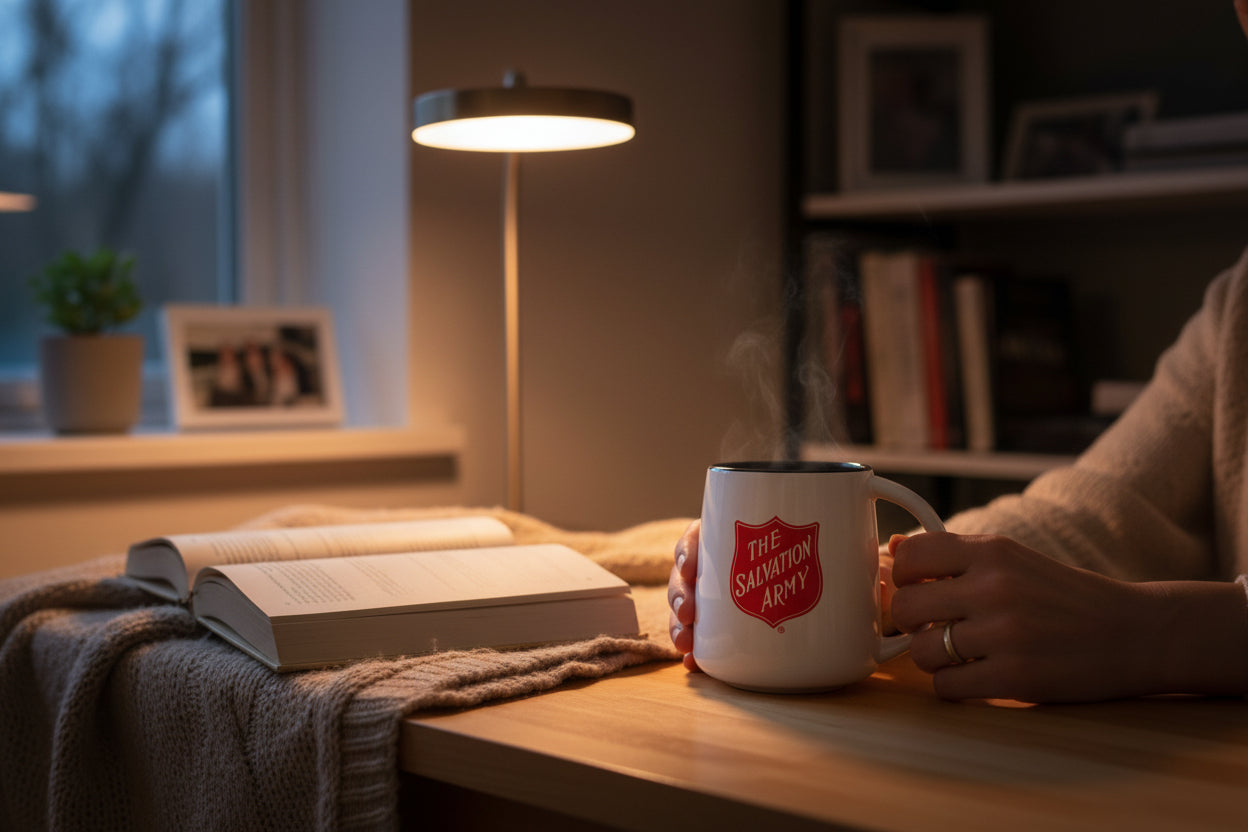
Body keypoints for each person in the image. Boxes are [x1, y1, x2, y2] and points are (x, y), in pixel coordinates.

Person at [668, 3, 1248, 704]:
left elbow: (1134, 610)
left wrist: (1157, 635)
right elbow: (1100, 511)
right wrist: (873, 579)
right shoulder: (1238, 306)